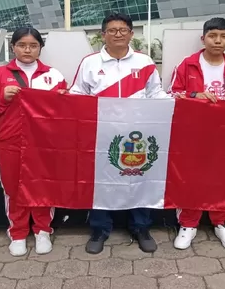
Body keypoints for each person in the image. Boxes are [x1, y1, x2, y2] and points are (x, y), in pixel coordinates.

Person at [70, 13, 169, 254]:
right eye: (112, 30)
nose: (118, 34)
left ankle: (141, 227)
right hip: (102, 134)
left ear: (131, 34)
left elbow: (156, 94)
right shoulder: (90, 62)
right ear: (103, 34)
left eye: (123, 30)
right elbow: (77, 94)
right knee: (101, 181)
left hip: (138, 134)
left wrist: (181, 102)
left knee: (139, 176)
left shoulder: (145, 62)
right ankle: (99, 229)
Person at [0, 28, 67, 257]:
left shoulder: (53, 75)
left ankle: (43, 231)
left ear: (40, 48)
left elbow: (64, 111)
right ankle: (17, 233)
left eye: (33, 45)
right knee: (13, 187)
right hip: (10, 140)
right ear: (13, 47)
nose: (27, 50)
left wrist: (63, 99)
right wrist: (2, 98)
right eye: (22, 45)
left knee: (43, 185)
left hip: (44, 142)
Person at [167, 17, 225, 251]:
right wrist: (196, 96)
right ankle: (188, 223)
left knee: (223, 177)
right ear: (203, 39)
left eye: (223, 36)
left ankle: (223, 222)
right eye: (213, 36)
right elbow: (172, 94)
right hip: (192, 133)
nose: (218, 41)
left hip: (223, 134)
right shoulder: (187, 64)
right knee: (190, 177)